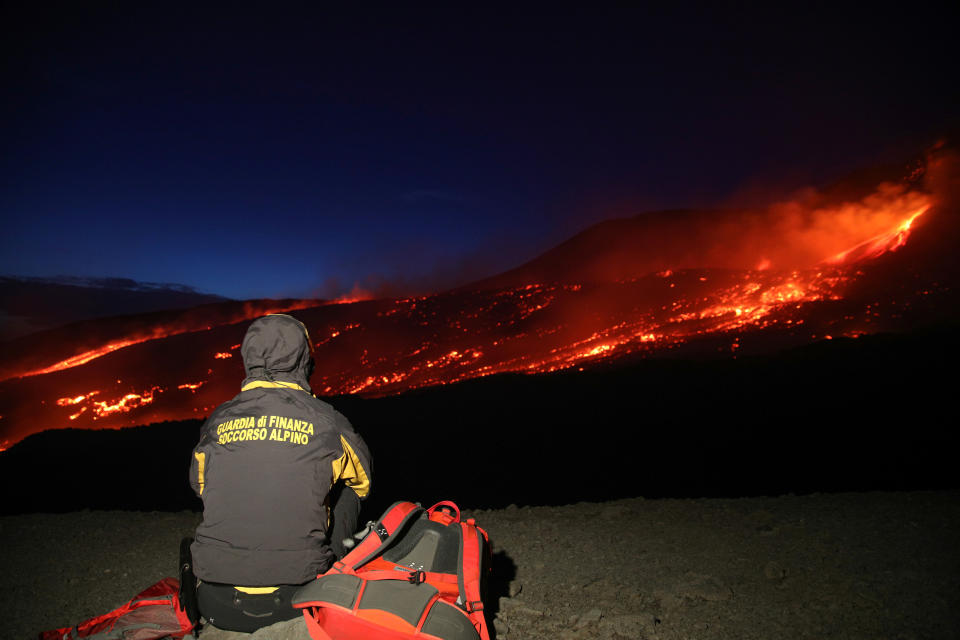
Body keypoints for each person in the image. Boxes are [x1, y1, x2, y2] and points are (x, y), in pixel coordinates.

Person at [187, 313, 372, 632]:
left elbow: (200, 486)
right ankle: (339, 574)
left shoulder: (218, 420)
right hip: (298, 598)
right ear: (304, 359)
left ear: (248, 358)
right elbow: (363, 483)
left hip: (215, 601)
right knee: (349, 490)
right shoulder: (327, 421)